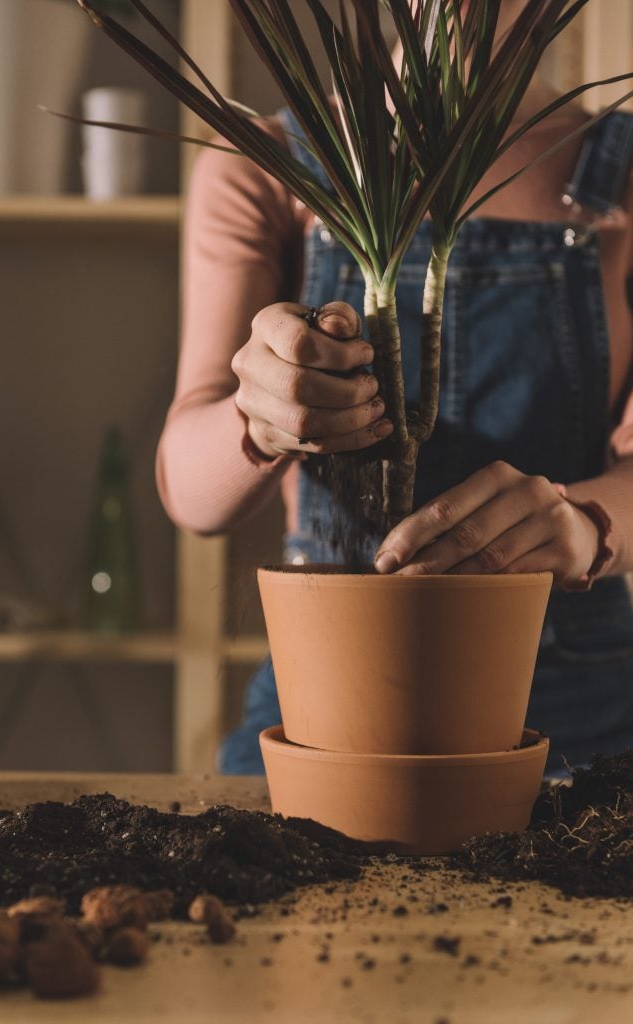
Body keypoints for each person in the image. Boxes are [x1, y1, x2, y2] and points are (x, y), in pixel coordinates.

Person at [156, 2, 633, 775]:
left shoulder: (621, 168)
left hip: (575, 695)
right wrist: (260, 415)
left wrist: (581, 526)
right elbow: (188, 490)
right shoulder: (267, 162)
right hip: (323, 677)